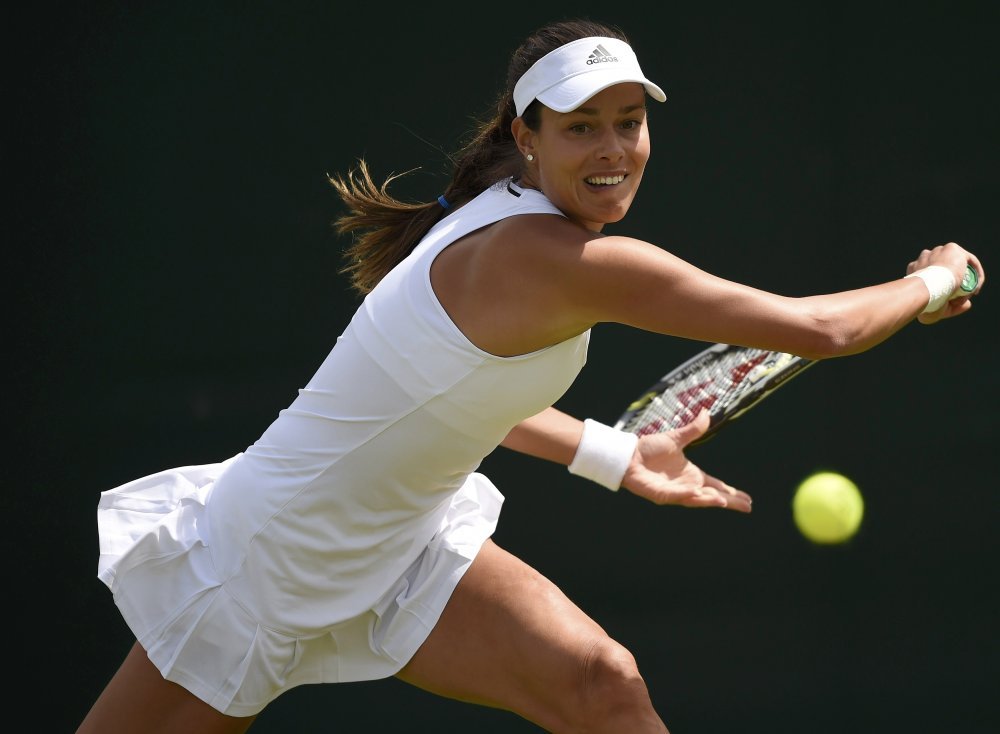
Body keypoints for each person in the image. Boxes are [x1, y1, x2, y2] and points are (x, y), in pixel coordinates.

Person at [78, 18, 984, 734]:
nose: (613, 149)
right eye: (582, 127)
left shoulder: (504, 219)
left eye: (628, 123)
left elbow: (468, 403)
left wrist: (616, 457)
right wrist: (937, 280)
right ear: (528, 137)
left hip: (401, 546)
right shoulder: (551, 260)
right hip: (264, 563)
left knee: (602, 685)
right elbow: (823, 329)